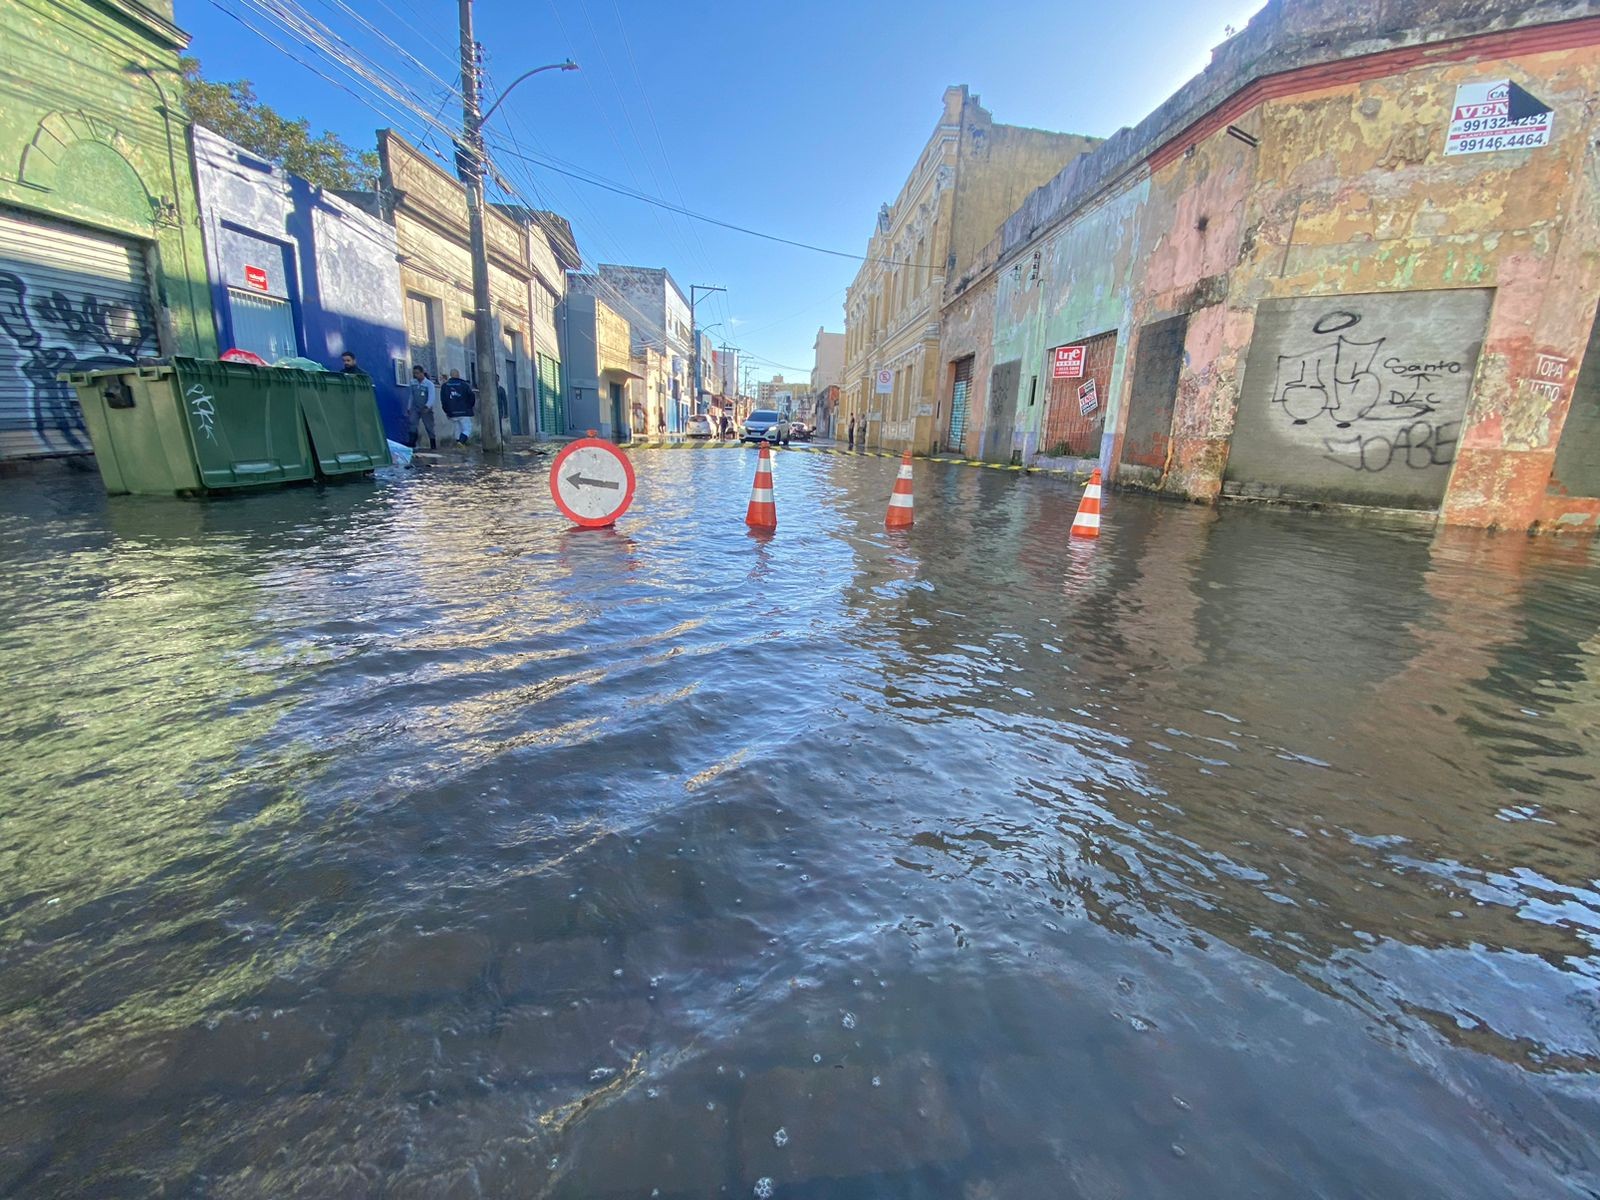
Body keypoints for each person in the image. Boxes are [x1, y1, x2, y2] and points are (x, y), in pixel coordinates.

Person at [440, 369, 476, 445]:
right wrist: (469, 407)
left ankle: (458, 442)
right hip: (464, 411)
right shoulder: (465, 385)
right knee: (467, 429)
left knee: (457, 428)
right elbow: (472, 397)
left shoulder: (445, 386)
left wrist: (446, 411)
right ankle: (461, 442)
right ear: (458, 375)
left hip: (451, 413)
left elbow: (443, 400)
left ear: (450, 375)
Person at [408, 364, 438, 450]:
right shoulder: (413, 382)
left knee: (429, 427)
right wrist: (409, 407)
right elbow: (411, 396)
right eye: (414, 373)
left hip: (425, 408)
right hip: (415, 408)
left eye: (417, 373)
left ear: (422, 373)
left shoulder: (429, 384)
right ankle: (412, 444)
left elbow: (431, 397)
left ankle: (433, 446)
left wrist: (427, 406)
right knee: (412, 424)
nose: (416, 375)